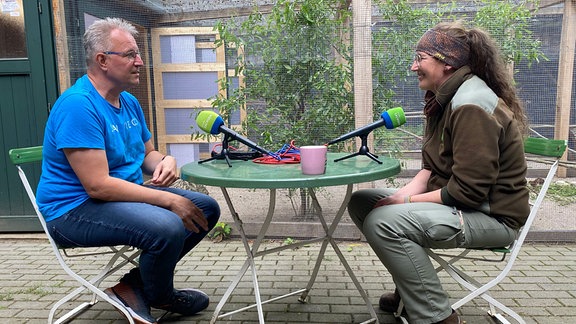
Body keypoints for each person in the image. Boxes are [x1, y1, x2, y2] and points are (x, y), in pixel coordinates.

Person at [36, 17, 220, 323]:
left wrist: (165, 160)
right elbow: (98, 186)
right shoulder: (78, 106)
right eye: (131, 54)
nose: (140, 61)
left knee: (206, 209)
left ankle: (134, 287)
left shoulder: (129, 102)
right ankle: (161, 295)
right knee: (168, 224)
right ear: (102, 60)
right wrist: (169, 199)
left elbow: (146, 154)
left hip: (115, 200)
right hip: (72, 210)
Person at [348, 21, 529, 324]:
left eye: (420, 58)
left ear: (447, 62)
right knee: (364, 203)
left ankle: (437, 316)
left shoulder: (470, 104)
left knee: (384, 223)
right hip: (465, 204)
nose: (412, 65)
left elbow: (468, 192)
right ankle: (410, 291)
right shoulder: (443, 98)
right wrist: (399, 197)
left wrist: (403, 206)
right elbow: (432, 167)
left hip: (492, 215)